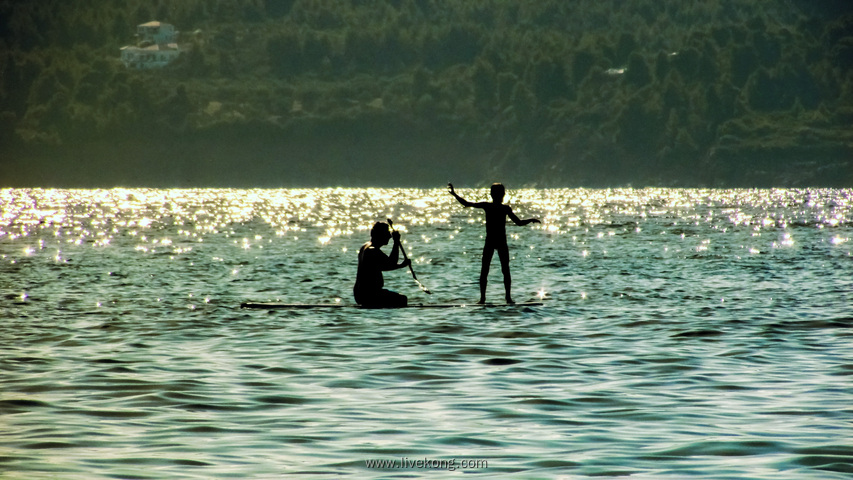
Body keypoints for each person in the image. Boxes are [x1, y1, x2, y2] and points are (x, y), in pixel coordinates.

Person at [448, 183, 540, 304]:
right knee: (500, 270)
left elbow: (467, 203)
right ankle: (502, 298)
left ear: (493, 194)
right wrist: (531, 220)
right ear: (503, 194)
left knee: (490, 270)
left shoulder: (495, 207)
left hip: (495, 242)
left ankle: (487, 299)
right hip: (496, 242)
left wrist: (455, 194)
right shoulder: (499, 208)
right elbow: (519, 223)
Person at [353, 222, 411, 308]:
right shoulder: (372, 251)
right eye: (387, 233)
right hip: (370, 295)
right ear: (380, 235)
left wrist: (401, 265)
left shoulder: (365, 247)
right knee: (402, 299)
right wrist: (396, 242)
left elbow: (383, 265)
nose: (390, 236)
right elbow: (391, 263)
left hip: (360, 295)